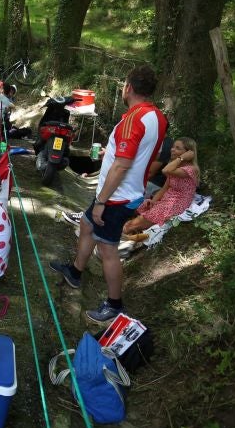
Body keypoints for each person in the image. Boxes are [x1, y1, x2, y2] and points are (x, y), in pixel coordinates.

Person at [49, 65, 166, 324]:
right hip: (123, 191)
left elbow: (123, 165)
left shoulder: (134, 118)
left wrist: (102, 201)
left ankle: (114, 304)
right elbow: (141, 154)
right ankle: (76, 271)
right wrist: (111, 154)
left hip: (117, 197)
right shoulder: (157, 116)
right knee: (86, 223)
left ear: (129, 88)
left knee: (108, 249)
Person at [123, 137, 199, 234]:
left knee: (129, 226)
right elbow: (164, 189)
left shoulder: (191, 169)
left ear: (188, 153)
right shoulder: (176, 166)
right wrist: (153, 201)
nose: (172, 149)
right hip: (166, 201)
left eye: (178, 148)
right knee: (132, 210)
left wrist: (181, 158)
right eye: (173, 147)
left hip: (175, 204)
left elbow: (165, 170)